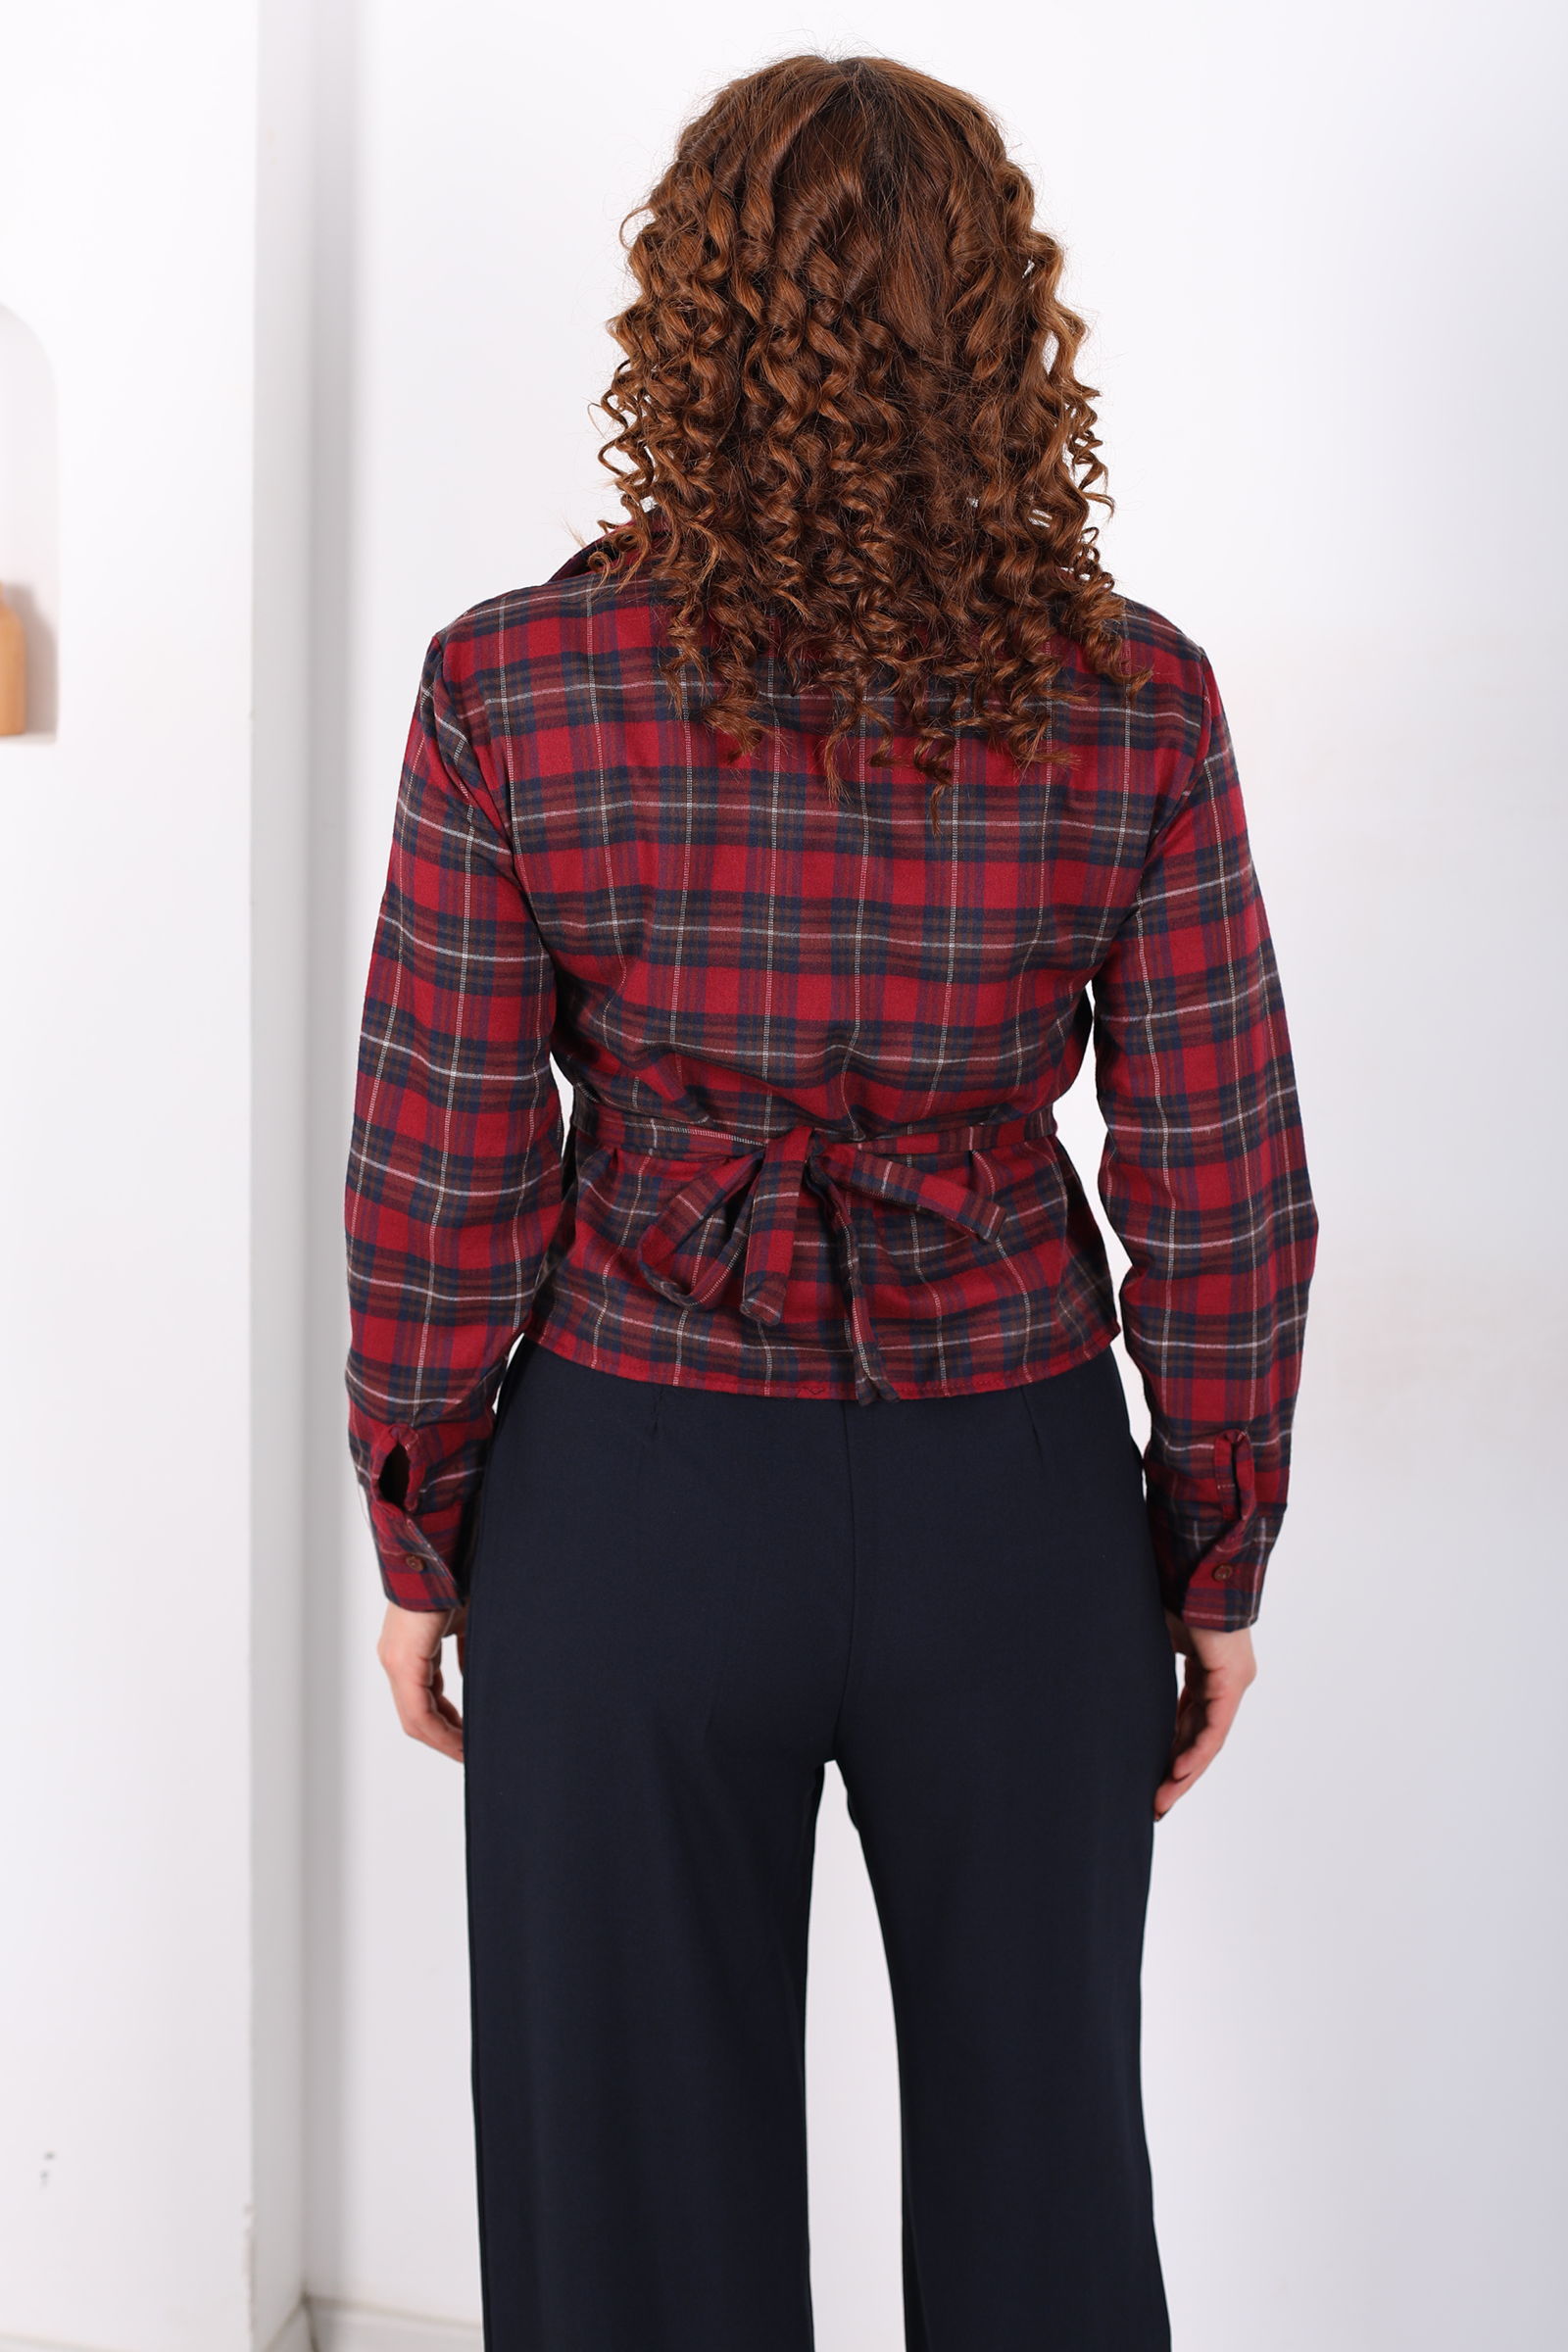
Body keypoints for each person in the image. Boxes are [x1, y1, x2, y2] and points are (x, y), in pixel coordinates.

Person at [342, 50, 1318, 2352]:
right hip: (1012, 1505)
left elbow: (441, 1171)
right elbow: (1218, 1179)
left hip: (631, 1497)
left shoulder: (514, 683)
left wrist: (422, 1529)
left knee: (624, 2210)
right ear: (999, 326)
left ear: (683, 322)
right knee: (1044, 2174)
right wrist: (1208, 1556)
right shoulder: (1130, 696)